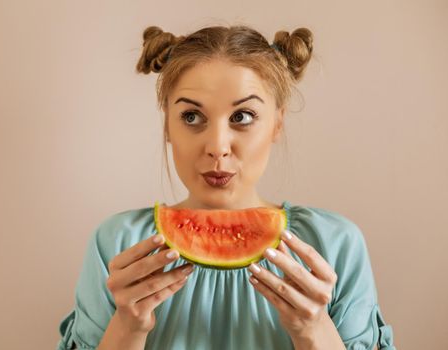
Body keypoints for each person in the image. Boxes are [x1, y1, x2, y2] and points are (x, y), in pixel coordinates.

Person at [56, 25, 396, 350]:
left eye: (242, 116)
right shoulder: (117, 245)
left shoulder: (335, 245)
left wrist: (314, 330)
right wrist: (127, 328)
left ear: (277, 122)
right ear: (167, 125)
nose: (217, 146)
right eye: (191, 117)